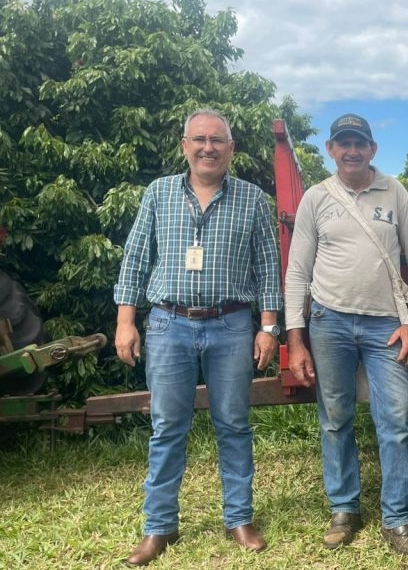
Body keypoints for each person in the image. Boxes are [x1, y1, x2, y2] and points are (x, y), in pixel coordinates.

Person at [113, 109, 282, 566]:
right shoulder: (158, 194)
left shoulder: (252, 200)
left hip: (231, 325)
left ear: (231, 148)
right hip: (169, 324)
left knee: (234, 424)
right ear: (184, 144)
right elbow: (134, 260)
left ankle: (239, 519)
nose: (208, 147)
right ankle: (159, 527)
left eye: (218, 140)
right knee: (168, 427)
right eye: (200, 139)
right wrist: (125, 321)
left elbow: (268, 269)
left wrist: (268, 328)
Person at [284, 113, 408, 559]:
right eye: (343, 143)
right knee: (335, 419)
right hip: (328, 323)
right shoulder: (316, 198)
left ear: (372, 150)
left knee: (397, 421)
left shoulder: (395, 192)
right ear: (331, 149)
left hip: (388, 327)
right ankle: (344, 509)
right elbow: (297, 271)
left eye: (359, 143)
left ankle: (397, 518)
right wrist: (295, 339)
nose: (352, 150)